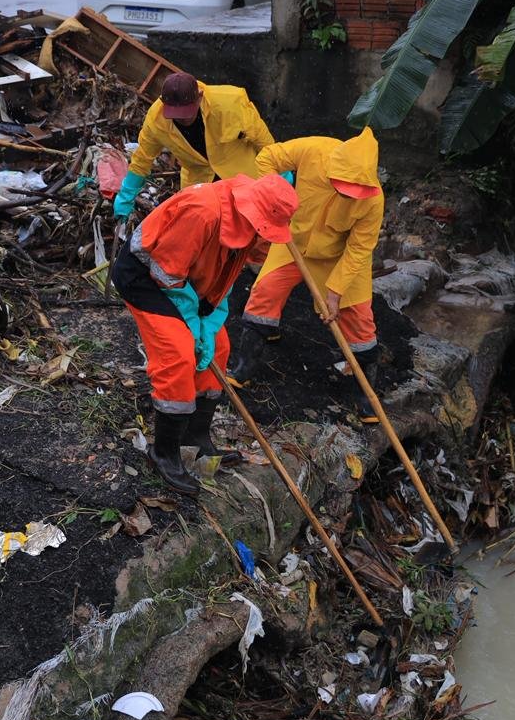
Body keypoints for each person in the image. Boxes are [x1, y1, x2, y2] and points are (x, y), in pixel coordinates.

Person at [111, 173, 299, 494]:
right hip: (147, 277)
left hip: (188, 282)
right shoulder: (203, 212)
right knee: (178, 352)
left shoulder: (245, 225)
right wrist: (193, 328)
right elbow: (167, 274)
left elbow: (220, 284)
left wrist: (208, 325)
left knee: (219, 346)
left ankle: (195, 437)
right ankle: (165, 451)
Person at [228, 128, 384, 423]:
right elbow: (267, 157)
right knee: (265, 293)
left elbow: (359, 250)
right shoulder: (313, 150)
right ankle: (243, 369)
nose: (346, 195)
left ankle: (365, 395)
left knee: (360, 323)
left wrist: (335, 293)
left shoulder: (373, 201)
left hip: (339, 258)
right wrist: (277, 190)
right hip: (294, 242)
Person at [113, 72, 279, 218]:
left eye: (186, 113)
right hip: (199, 182)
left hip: (242, 175)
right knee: (199, 228)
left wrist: (279, 171)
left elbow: (261, 138)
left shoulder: (230, 102)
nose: (182, 120)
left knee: (249, 224)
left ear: (199, 97)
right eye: (175, 115)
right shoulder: (156, 121)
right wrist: (126, 195)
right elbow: (143, 158)